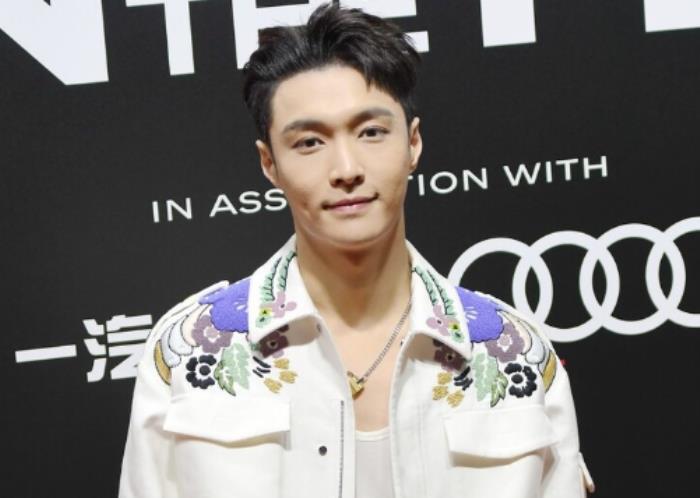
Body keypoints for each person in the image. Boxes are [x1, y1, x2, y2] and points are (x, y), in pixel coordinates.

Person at [118, 4, 594, 498]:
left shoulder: (514, 352)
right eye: (309, 142)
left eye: (371, 132)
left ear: (413, 143)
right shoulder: (189, 350)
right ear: (269, 164)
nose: (346, 168)